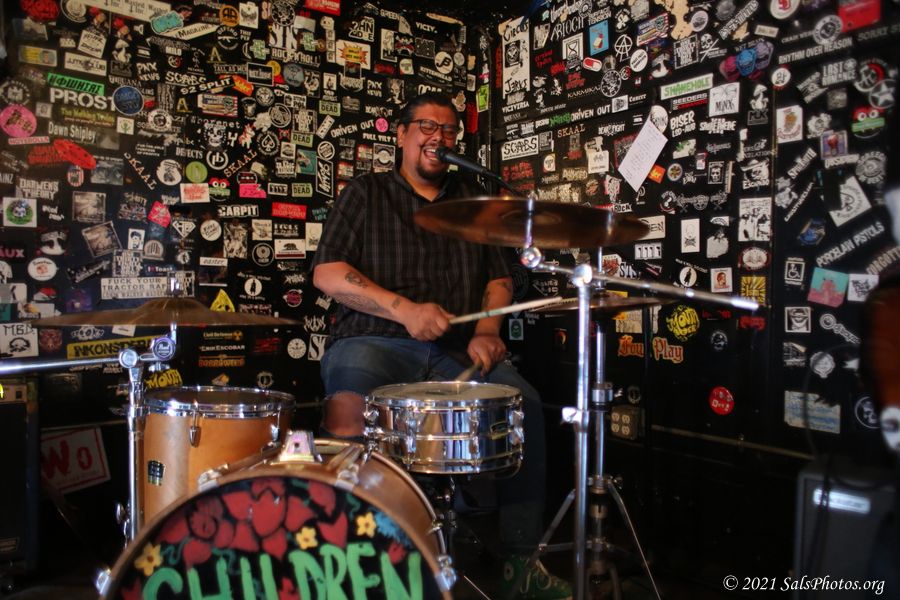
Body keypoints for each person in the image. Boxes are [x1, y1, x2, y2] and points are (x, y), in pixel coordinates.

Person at [311, 92, 571, 599]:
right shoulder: (366, 193)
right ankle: (350, 558)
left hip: (456, 351)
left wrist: (488, 331)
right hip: (374, 340)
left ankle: (522, 562)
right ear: (402, 135)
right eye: (427, 126)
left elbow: (499, 279)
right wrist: (404, 310)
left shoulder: (471, 201)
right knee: (348, 407)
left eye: (449, 130)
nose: (439, 137)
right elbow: (328, 273)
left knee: (524, 403)